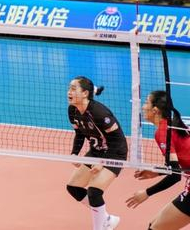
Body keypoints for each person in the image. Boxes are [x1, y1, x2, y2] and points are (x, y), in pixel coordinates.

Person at [66, 76, 125, 230]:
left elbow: (117, 141)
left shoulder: (99, 113)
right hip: (96, 151)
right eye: (69, 88)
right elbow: (79, 133)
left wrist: (103, 162)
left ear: (85, 93)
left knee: (94, 192)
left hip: (115, 153)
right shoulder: (73, 110)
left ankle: (100, 227)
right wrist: (74, 153)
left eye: (73, 88)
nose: (69, 92)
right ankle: (107, 219)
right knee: (73, 187)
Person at [126, 91, 190, 229]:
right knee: (153, 225)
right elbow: (176, 166)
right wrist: (158, 172)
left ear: (155, 110)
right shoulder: (172, 125)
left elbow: (175, 176)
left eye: (146, 102)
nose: (143, 107)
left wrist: (146, 193)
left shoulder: (163, 132)